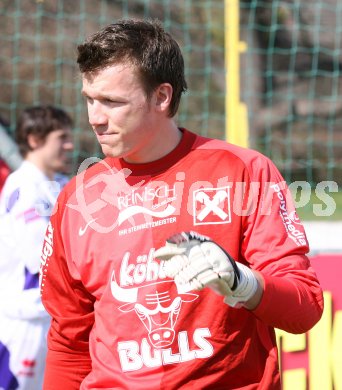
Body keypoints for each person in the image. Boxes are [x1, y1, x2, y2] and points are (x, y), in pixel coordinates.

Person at [40, 19, 323, 389]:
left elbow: (304, 307)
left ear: (162, 97)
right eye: (90, 100)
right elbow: (68, 343)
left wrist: (243, 283)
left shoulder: (243, 171)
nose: (95, 118)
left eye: (112, 102)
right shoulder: (77, 200)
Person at [0, 105, 74, 390]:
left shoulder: (58, 185)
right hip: (23, 324)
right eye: (61, 138)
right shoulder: (23, 188)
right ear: (34, 140)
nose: (69, 145)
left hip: (49, 318)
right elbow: (41, 257)